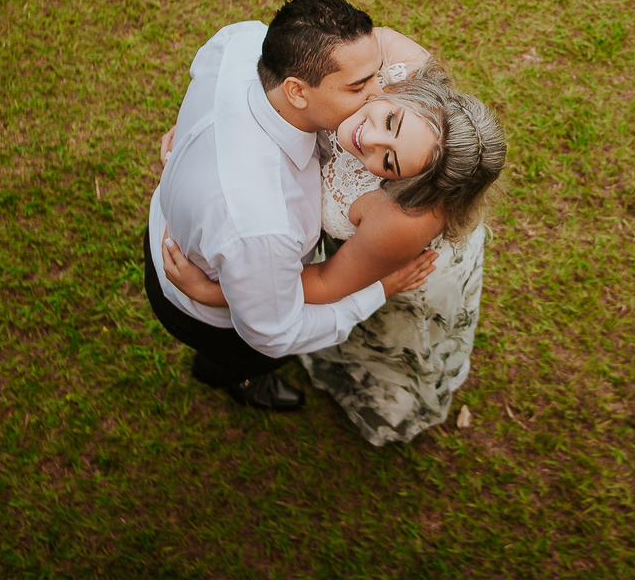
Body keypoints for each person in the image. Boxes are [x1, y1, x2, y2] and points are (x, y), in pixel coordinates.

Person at [164, 60, 507, 445]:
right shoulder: (390, 61)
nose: (369, 139)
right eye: (390, 121)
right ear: (406, 92)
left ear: (407, 185)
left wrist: (220, 293)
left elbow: (329, 281)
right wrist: (201, 124)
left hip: (380, 263)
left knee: (374, 342)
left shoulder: (402, 218)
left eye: (389, 162)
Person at [144, 0, 438, 413]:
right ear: (297, 92)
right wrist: (379, 290)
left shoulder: (242, 40)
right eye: (358, 86)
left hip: (181, 228)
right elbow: (274, 332)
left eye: (375, 74)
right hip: (200, 303)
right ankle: (238, 378)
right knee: (237, 360)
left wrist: (191, 131)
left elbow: (206, 76)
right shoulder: (263, 221)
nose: (379, 94)